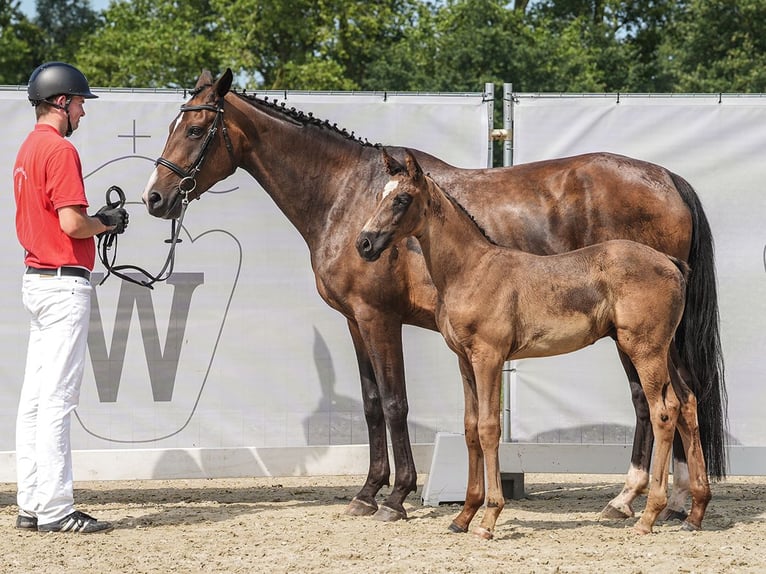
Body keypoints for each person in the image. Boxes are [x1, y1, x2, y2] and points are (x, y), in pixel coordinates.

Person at [13, 62, 129, 534]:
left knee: (35, 401)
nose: (83, 111)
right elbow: (73, 224)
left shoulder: (27, 148)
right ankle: (57, 510)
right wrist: (108, 222)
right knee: (57, 401)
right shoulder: (60, 150)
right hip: (63, 284)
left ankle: (32, 501)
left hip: (37, 280)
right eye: (80, 102)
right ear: (62, 102)